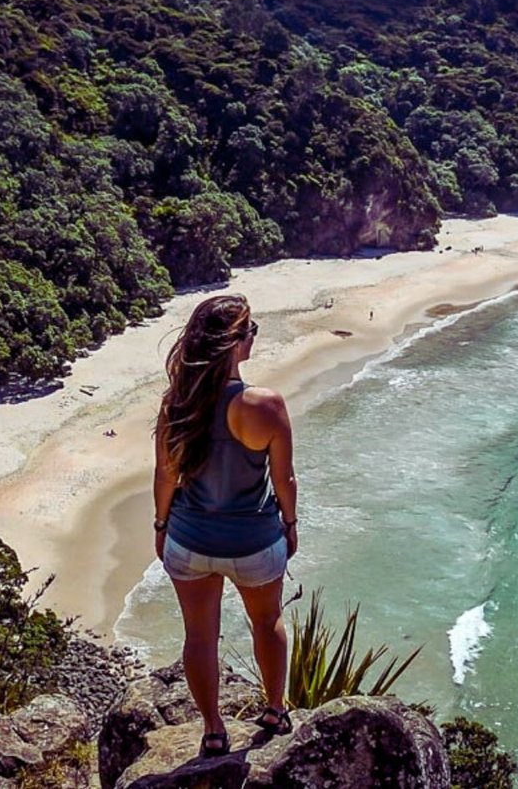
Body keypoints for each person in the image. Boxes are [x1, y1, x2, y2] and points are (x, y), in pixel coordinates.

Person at [153, 294, 299, 758]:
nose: (254, 336)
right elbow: (284, 480)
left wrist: (161, 526)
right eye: (250, 330)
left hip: (189, 540)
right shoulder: (266, 405)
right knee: (267, 621)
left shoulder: (177, 404)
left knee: (198, 636)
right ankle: (275, 710)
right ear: (234, 345)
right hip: (254, 542)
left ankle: (214, 730)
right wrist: (290, 525)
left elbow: (165, 476)